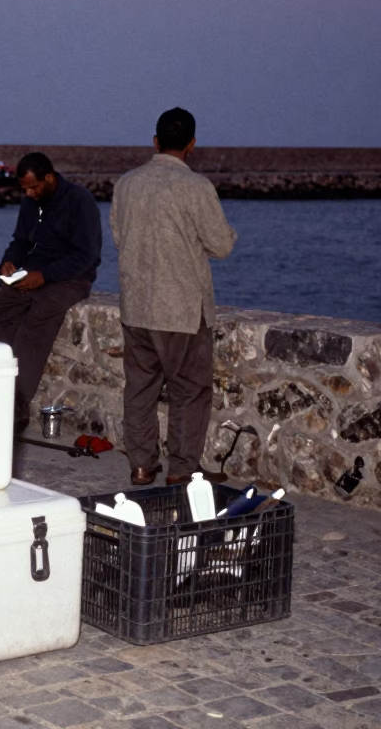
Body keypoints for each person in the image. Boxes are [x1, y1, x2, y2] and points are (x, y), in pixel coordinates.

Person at [111, 107, 237, 486]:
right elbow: (220, 245)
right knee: (189, 390)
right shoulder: (196, 187)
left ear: (155, 142)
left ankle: (142, 464)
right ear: (192, 145)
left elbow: (119, 237)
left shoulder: (126, 183)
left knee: (140, 389)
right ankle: (182, 469)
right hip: (181, 309)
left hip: (136, 306)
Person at [0, 152, 102, 433]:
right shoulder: (31, 203)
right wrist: (10, 261)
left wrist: (44, 277)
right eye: (25, 189)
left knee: (34, 325)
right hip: (32, 273)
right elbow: (20, 241)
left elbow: (87, 256)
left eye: (34, 187)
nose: (30, 194)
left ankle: (17, 405)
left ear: (49, 177)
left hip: (71, 278)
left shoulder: (80, 201)